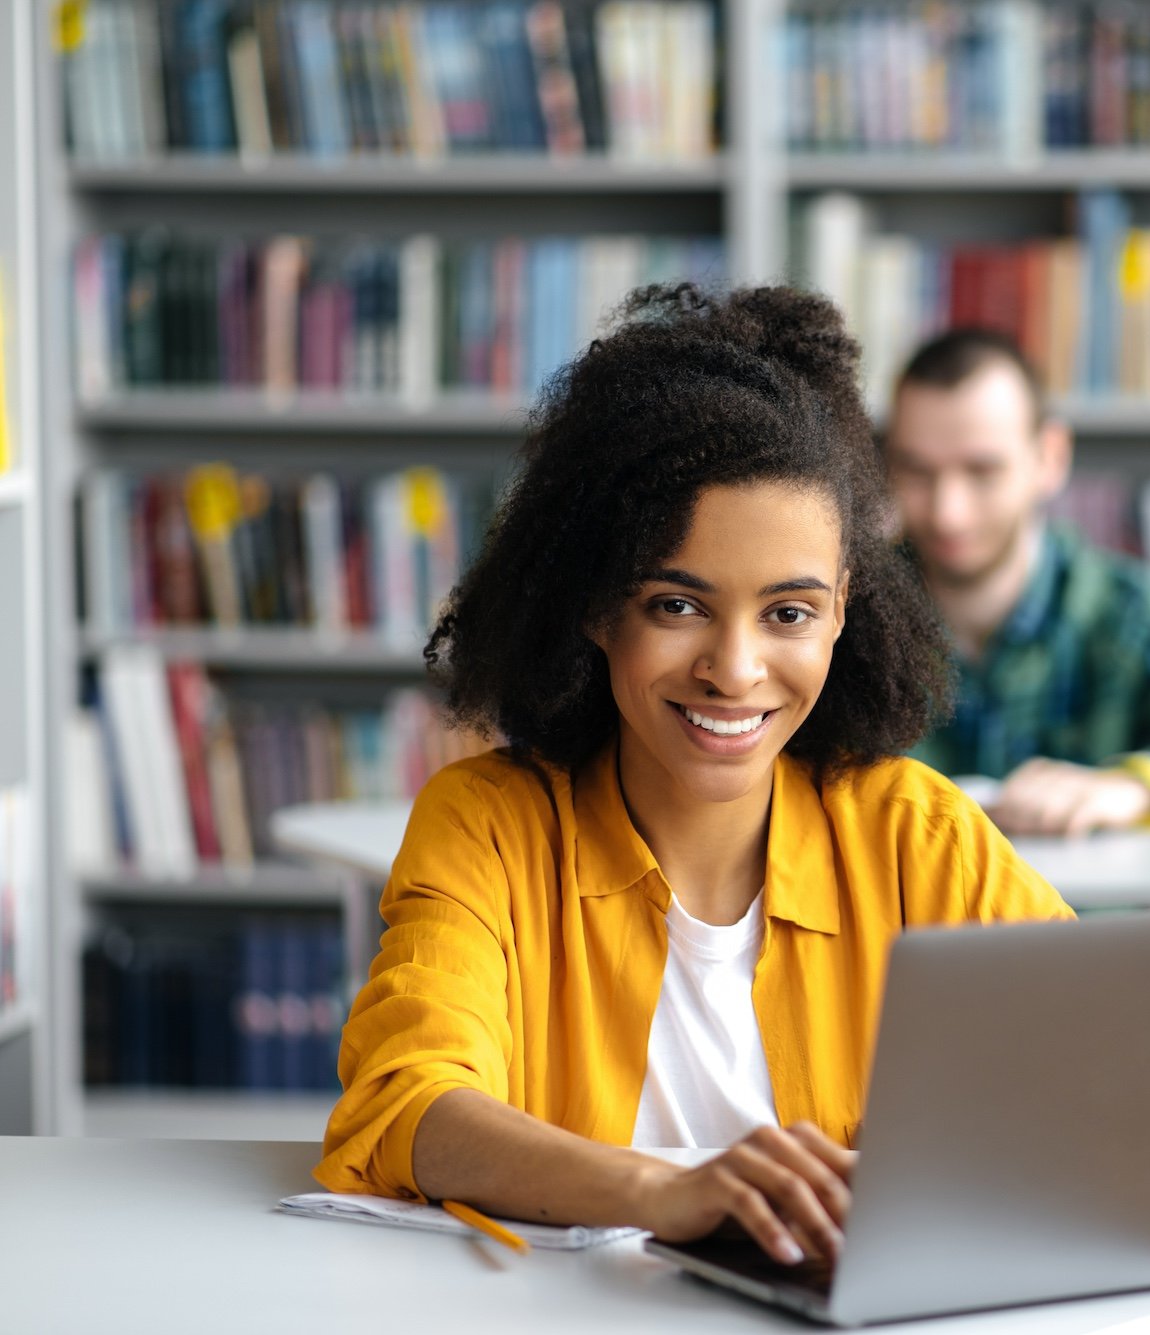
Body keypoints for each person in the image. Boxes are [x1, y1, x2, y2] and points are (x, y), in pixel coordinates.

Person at [315, 285, 1073, 1268]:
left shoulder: (917, 838)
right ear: (597, 608)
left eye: (789, 614)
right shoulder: (488, 826)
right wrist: (668, 1192)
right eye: (677, 605)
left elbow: (1102, 1075)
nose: (735, 669)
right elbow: (405, 1109)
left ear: (843, 611)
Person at [882, 328, 1150, 836]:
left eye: (982, 471)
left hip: (1082, 915)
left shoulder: (1131, 611)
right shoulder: (843, 613)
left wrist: (1133, 789)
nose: (947, 512)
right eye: (915, 471)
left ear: (1050, 458)